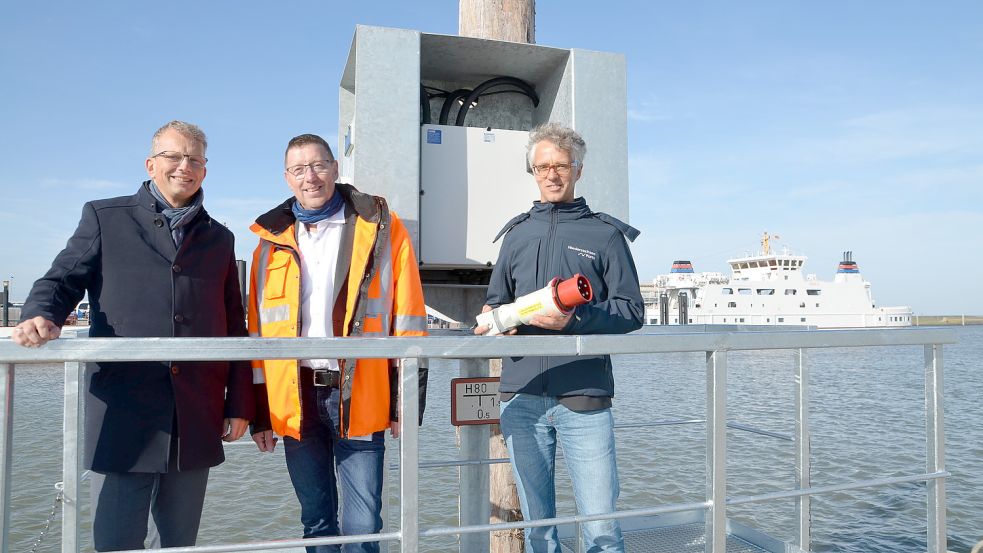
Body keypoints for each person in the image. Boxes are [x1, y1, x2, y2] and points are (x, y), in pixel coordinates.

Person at [12, 120, 255, 551]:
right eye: (174, 156)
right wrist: (40, 313)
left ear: (205, 169)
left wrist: (237, 404)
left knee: (181, 543)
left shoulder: (219, 238)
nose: (185, 166)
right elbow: (63, 279)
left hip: (195, 413)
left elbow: (234, 325)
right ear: (150, 163)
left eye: (195, 159)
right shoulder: (106, 217)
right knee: (116, 542)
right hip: (124, 412)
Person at [247, 134, 428, 553]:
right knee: (316, 521)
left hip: (360, 393)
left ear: (335, 169)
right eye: (298, 169)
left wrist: (406, 402)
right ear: (287, 178)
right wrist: (260, 413)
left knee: (364, 523)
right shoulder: (267, 244)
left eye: (318, 165)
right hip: (294, 397)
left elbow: (410, 318)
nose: (310, 177)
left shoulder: (382, 227)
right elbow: (257, 337)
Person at [475, 122, 644, 552]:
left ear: (578, 170)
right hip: (522, 395)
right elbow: (496, 301)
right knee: (538, 529)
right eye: (542, 166)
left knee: (601, 526)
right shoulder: (516, 235)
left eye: (561, 166)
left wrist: (575, 320)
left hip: (584, 397)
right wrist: (496, 318)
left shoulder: (605, 235)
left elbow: (631, 311)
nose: (551, 175)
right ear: (533, 171)